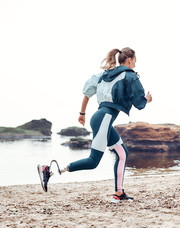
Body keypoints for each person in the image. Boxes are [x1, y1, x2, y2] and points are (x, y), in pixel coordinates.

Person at [37, 47, 152, 203]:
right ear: (130, 60)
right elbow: (140, 103)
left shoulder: (104, 75)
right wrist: (147, 99)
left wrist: (82, 114)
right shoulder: (129, 75)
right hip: (104, 119)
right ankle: (50, 171)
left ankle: (119, 193)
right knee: (93, 161)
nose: (135, 65)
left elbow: (87, 92)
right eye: (135, 61)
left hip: (100, 118)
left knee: (123, 153)